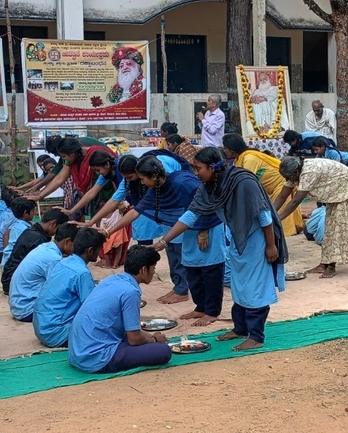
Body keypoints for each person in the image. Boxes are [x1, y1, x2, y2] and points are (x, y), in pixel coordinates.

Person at [157, 147, 287, 351]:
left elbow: (264, 216)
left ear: (213, 167)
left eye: (198, 168)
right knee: (239, 287)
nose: (195, 172)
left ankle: (256, 336)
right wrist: (164, 241)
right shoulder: (209, 187)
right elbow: (191, 216)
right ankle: (241, 328)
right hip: (238, 239)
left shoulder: (244, 182)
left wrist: (271, 245)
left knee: (255, 289)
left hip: (258, 241)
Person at [102, 154, 229, 318]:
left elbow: (209, 202)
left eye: (142, 179)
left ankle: (212, 312)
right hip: (189, 229)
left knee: (210, 270)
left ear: (154, 176)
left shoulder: (183, 183)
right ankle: (200, 308)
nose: (141, 183)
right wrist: (108, 231)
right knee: (192, 268)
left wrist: (204, 230)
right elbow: (135, 211)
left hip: (208, 227)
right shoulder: (154, 189)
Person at [68, 245, 172, 373]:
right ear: (144, 270)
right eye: (153, 268)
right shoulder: (131, 292)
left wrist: (150, 336)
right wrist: (154, 340)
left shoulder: (112, 279)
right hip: (96, 358)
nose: (154, 272)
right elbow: (134, 339)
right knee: (163, 351)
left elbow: (131, 329)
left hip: (77, 353)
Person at [276, 157, 348, 279]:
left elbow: (295, 201)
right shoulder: (296, 171)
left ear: (296, 173)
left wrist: (278, 218)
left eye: (287, 177)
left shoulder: (308, 173)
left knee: (337, 227)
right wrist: (270, 214)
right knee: (329, 226)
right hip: (335, 189)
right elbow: (282, 196)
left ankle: (332, 267)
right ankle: (324, 264)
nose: (287, 180)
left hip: (345, 186)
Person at [221, 134, 304, 236]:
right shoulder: (239, 160)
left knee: (280, 229)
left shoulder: (249, 158)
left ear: (232, 149)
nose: (224, 151)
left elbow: (244, 183)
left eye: (225, 148)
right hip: (271, 190)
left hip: (280, 185)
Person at [34, 226, 100, 348]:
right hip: (56, 334)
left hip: (41, 327)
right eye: (99, 250)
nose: (99, 253)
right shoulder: (83, 273)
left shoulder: (64, 262)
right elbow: (91, 310)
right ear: (90, 251)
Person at [9, 223, 79, 322]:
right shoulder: (54, 259)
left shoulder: (46, 247)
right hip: (28, 310)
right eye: (75, 245)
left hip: (19, 305)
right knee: (75, 302)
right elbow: (58, 290)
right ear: (67, 241)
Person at [0, 209, 69, 295]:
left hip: (9, 277)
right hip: (13, 283)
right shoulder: (39, 239)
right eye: (59, 230)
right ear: (53, 224)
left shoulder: (31, 231)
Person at [1, 197, 38, 270]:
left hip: (8, 262)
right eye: (33, 211)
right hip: (13, 265)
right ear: (25, 213)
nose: (34, 213)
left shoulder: (17, 225)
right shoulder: (25, 229)